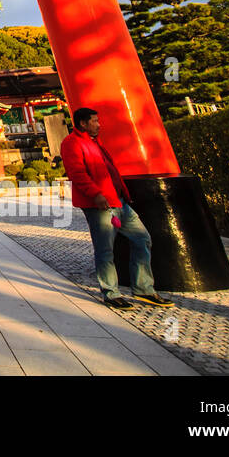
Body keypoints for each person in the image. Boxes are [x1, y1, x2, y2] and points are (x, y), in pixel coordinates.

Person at [61, 108, 174, 310]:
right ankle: (111, 293)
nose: (99, 124)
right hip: (100, 205)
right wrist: (96, 194)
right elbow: (77, 173)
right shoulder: (72, 143)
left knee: (142, 239)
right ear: (83, 123)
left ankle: (144, 288)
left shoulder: (95, 142)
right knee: (105, 250)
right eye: (94, 121)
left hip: (119, 201)